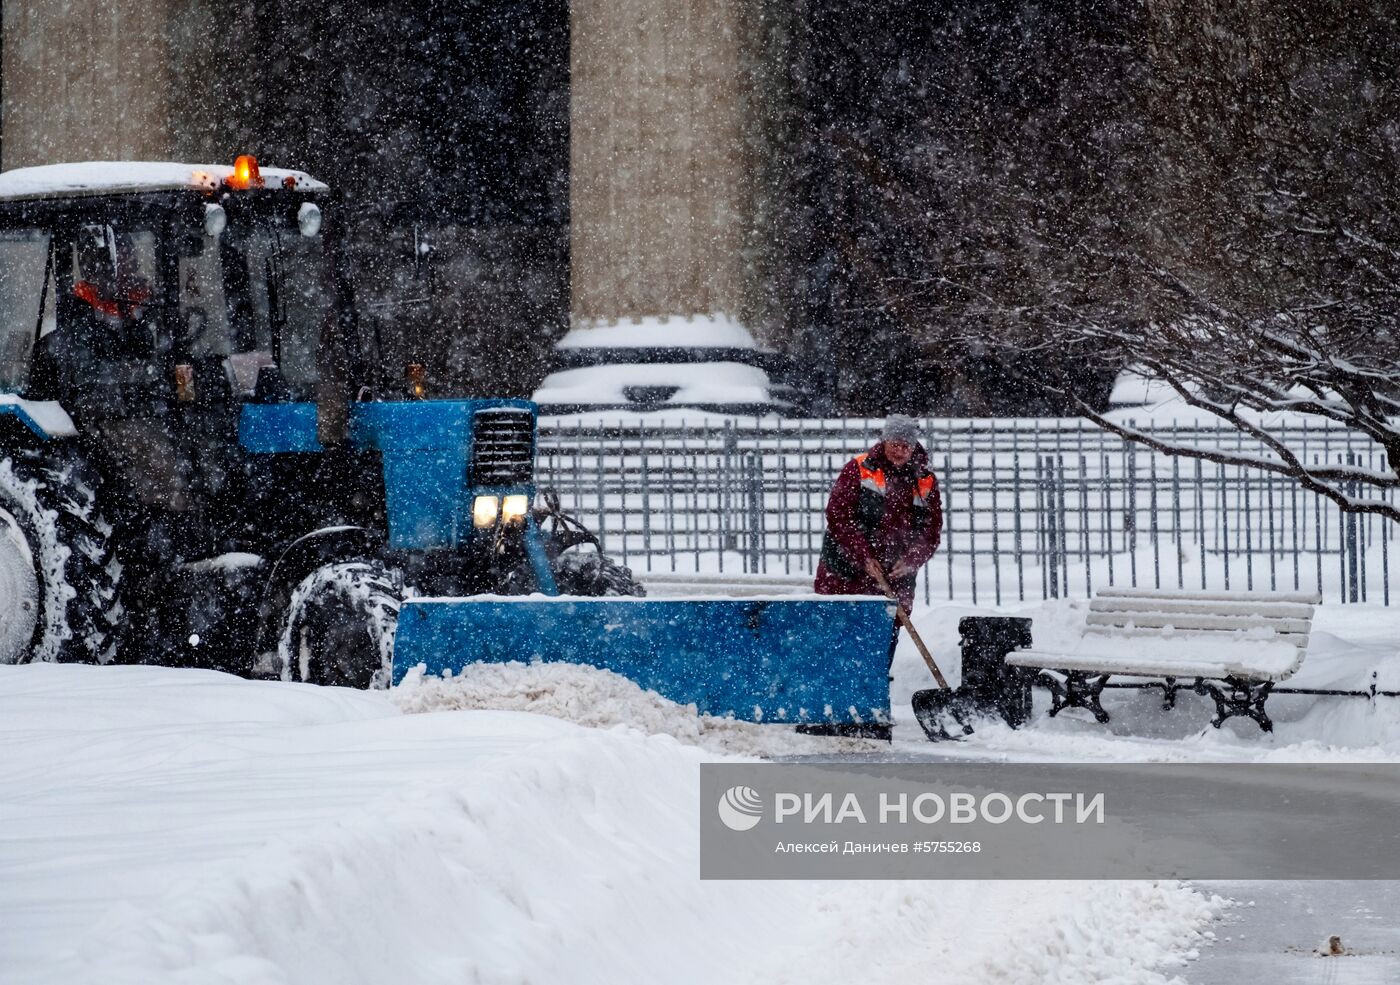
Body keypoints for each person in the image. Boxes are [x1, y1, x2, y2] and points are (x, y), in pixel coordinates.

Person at [814, 413, 942, 630]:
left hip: (895, 579)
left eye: (906, 446)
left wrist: (912, 559)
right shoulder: (859, 468)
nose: (900, 451)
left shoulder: (925, 479)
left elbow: (931, 531)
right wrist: (863, 556)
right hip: (845, 572)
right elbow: (838, 516)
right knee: (840, 631)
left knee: (885, 635)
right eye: (895, 444)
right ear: (885, 441)